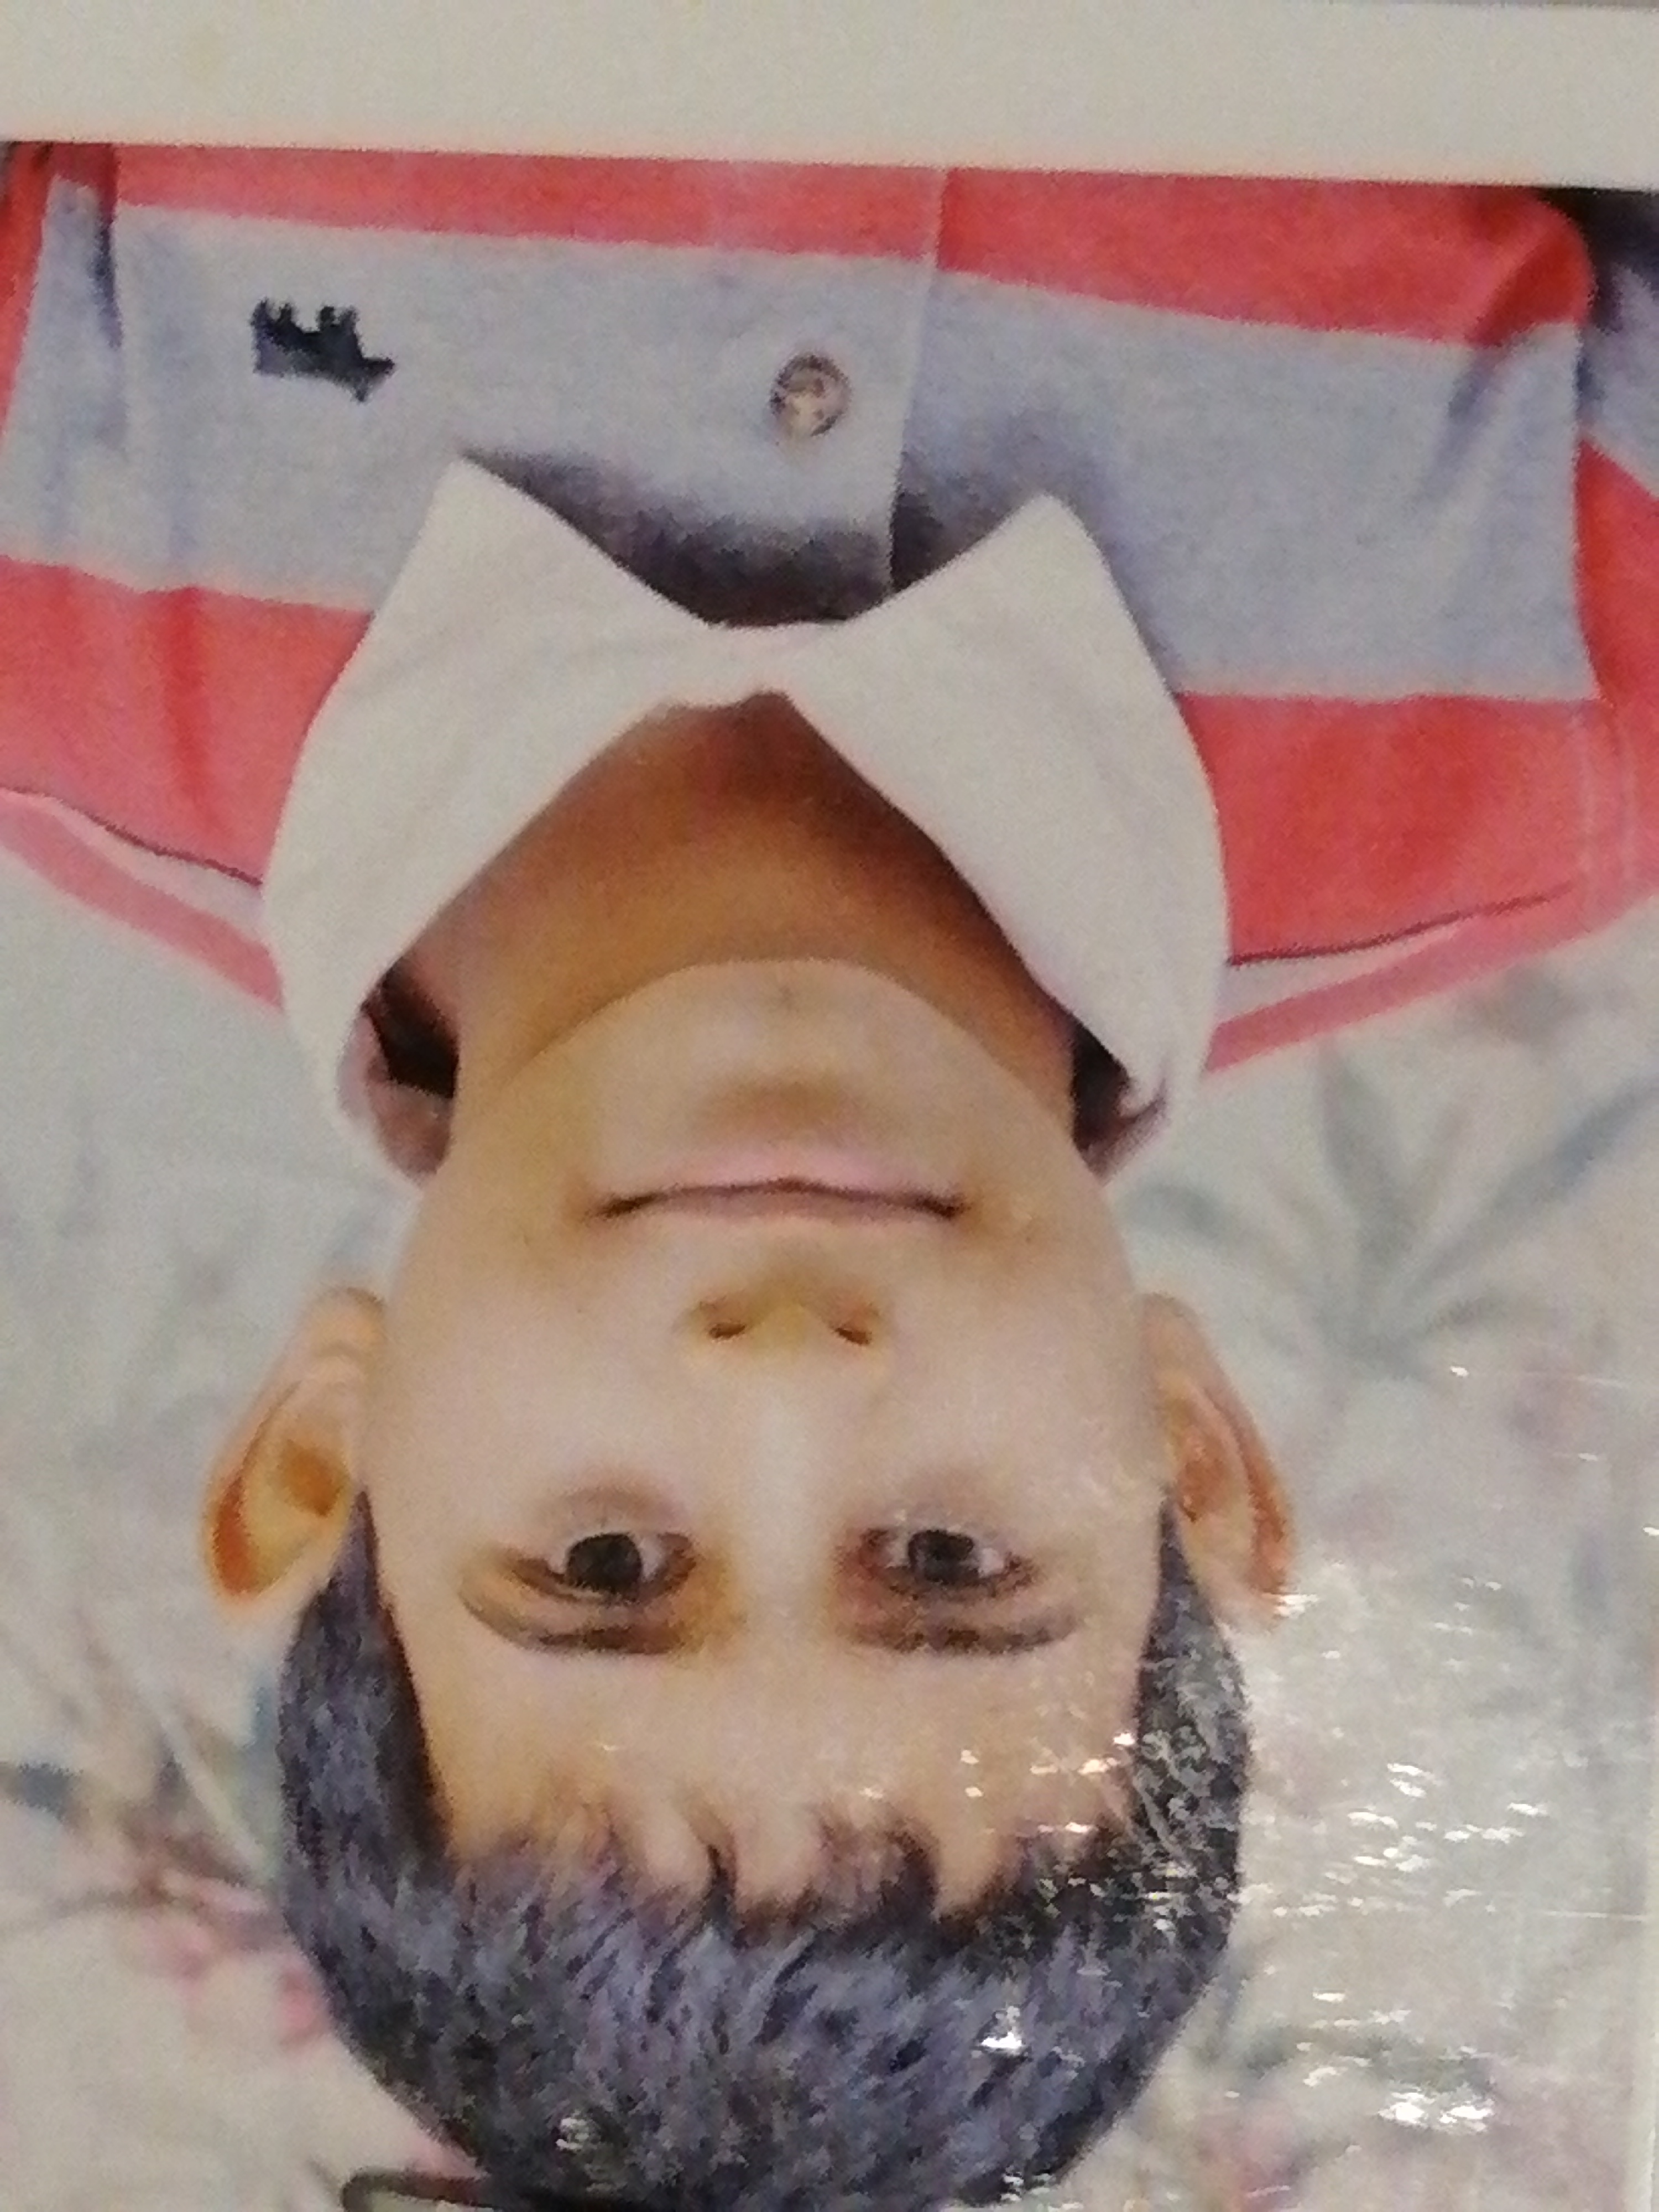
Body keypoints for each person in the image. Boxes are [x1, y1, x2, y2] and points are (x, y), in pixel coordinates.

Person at [1, 147, 1656, 2209]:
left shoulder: (36, 539)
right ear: (1190, 1459)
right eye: (950, 1562)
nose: (783, 1370)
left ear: (327, 1461)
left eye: (607, 1566)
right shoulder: (1568, 684)